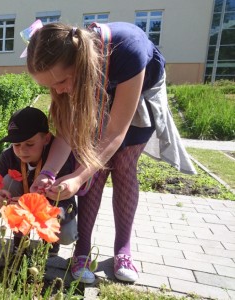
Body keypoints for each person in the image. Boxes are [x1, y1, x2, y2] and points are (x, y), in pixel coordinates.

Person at [24, 21, 195, 283]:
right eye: (50, 86)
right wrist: (48, 171)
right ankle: (82, 251)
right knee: (95, 168)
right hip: (92, 86)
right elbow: (68, 131)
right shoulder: (67, 75)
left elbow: (116, 132)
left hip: (138, 90)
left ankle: (123, 250)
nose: (57, 90)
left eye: (60, 82)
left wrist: (79, 177)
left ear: (79, 66)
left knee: (124, 165)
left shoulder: (128, 49)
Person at [0, 107, 78, 257]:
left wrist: (43, 214)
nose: (22, 151)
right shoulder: (8, 157)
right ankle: (19, 245)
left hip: (47, 214)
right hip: (20, 211)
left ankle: (50, 245)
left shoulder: (59, 159)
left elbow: (70, 205)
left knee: (66, 235)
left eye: (29, 144)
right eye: (16, 145)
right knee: (7, 181)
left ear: (46, 139)